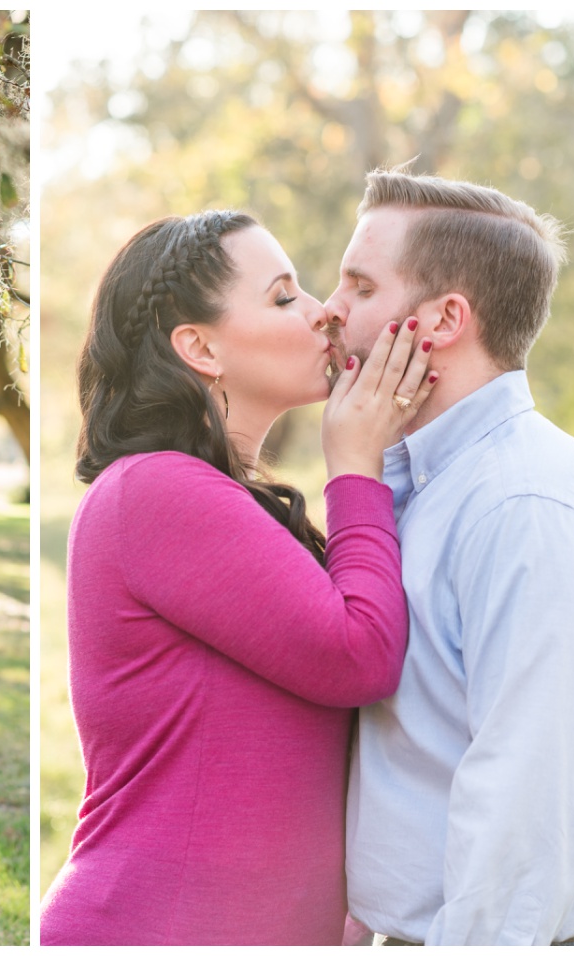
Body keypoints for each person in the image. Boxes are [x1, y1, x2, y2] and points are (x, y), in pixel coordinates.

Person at [39, 210, 439, 945]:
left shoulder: (225, 503)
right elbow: (361, 656)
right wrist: (355, 464)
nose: (325, 314)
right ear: (199, 348)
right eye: (285, 297)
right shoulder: (155, 492)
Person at [328, 170, 574, 945]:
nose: (330, 311)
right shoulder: (419, 483)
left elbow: (527, 817)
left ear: (443, 319)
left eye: (359, 286)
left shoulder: (528, 509)